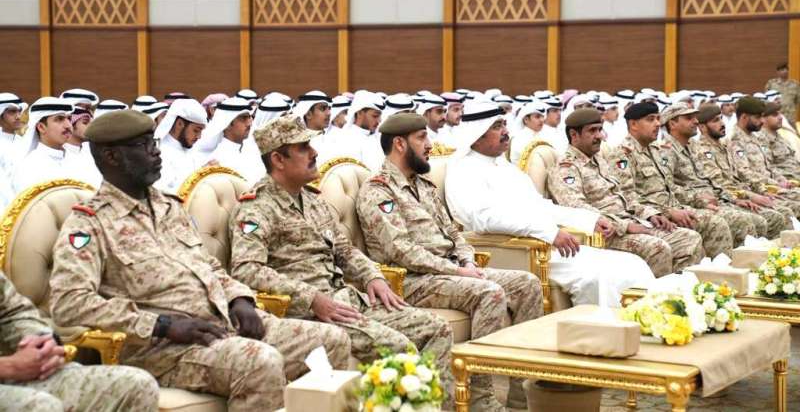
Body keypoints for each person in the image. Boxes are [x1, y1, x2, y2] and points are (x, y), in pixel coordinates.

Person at [48, 110, 351, 411]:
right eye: (144, 145)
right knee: (259, 362)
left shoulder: (169, 207)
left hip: (222, 323)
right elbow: (69, 303)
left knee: (332, 339)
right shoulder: (90, 224)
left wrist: (240, 300)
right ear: (111, 156)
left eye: (154, 142)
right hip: (165, 349)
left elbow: (210, 267)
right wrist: (162, 325)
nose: (156, 151)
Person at [228, 116, 455, 406]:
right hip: (309, 314)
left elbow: (344, 250)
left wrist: (372, 276)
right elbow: (246, 269)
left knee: (437, 328)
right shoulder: (256, 208)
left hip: (348, 300)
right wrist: (311, 298)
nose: (314, 153)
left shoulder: (312, 199)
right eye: (303, 147)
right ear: (278, 159)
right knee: (399, 347)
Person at [357, 113, 540, 410]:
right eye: (422, 138)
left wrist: (468, 262)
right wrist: (456, 270)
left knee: (528, 283)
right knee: (489, 292)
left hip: (452, 271)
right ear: (400, 144)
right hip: (411, 280)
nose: (430, 144)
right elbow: (401, 251)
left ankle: (521, 393)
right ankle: (480, 398)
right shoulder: (378, 191)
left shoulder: (424, 186)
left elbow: (455, 233)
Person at [445, 102, 655, 304]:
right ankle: (595, 328)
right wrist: (548, 233)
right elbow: (484, 219)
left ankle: (642, 323)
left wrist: (591, 220)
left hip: (545, 243)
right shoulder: (464, 170)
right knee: (598, 276)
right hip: (517, 250)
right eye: (497, 127)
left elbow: (540, 206)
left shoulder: (504, 166)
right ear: (477, 134)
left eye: (504, 125)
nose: (506, 132)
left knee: (632, 263)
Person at [548, 109, 702, 276]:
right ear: (574, 135)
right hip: (604, 234)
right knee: (657, 248)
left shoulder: (599, 160)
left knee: (689, 239)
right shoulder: (566, 167)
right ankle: (651, 292)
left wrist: (650, 214)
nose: (599, 136)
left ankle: (676, 288)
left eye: (600, 129)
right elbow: (576, 208)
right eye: (592, 131)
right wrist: (624, 226)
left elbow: (625, 195)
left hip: (631, 222)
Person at [0, 271, 160, 411]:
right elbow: (69, 302)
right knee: (41, 406)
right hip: (9, 371)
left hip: (17, 373)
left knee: (138, 385)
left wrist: (41, 343)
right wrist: (9, 366)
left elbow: (13, 312)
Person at [608, 102, 733, 258]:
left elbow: (671, 187)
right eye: (650, 119)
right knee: (711, 226)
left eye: (658, 118)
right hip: (651, 216)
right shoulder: (623, 155)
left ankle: (717, 269)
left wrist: (699, 200)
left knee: (717, 221)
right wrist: (668, 212)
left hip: (674, 208)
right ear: (633, 124)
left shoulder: (655, 150)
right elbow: (627, 197)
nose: (657, 123)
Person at [660, 103, 766, 245]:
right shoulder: (666, 151)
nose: (696, 121)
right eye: (689, 118)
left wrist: (733, 199)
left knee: (760, 220)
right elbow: (669, 188)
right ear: (672, 124)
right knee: (741, 221)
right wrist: (700, 200)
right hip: (693, 204)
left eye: (695, 117)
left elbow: (711, 181)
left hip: (715, 199)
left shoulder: (693, 147)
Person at [692, 104, 791, 238]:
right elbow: (720, 184)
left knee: (782, 210)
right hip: (727, 199)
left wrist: (763, 190)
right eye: (716, 121)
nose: (722, 123)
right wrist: (751, 196)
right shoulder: (701, 151)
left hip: (744, 193)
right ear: (702, 127)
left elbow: (742, 175)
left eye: (721, 119)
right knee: (771, 217)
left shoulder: (725, 145)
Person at [727, 96, 800, 217]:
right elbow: (744, 173)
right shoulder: (735, 140)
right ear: (744, 117)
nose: (762, 121)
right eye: (757, 117)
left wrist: (781, 179)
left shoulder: (754, 137)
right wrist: (774, 183)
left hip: (773, 186)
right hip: (759, 190)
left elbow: (769, 166)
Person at [11, 98, 84, 194]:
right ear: (41, 127)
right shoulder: (29, 168)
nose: (68, 125)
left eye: (69, 119)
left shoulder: (80, 160)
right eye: (59, 119)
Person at [196, 97, 264, 186]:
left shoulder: (254, 151)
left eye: (250, 117)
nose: (249, 123)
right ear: (227, 123)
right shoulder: (216, 160)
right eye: (243, 118)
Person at [153, 98, 209, 193]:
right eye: (196, 130)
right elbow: (163, 193)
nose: (199, 137)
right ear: (179, 124)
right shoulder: (160, 153)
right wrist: (200, 175)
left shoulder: (190, 148)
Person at [760, 101, 800, 181]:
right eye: (775, 115)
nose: (780, 117)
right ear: (762, 119)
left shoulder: (780, 136)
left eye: (780, 114)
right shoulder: (761, 140)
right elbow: (767, 168)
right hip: (787, 181)